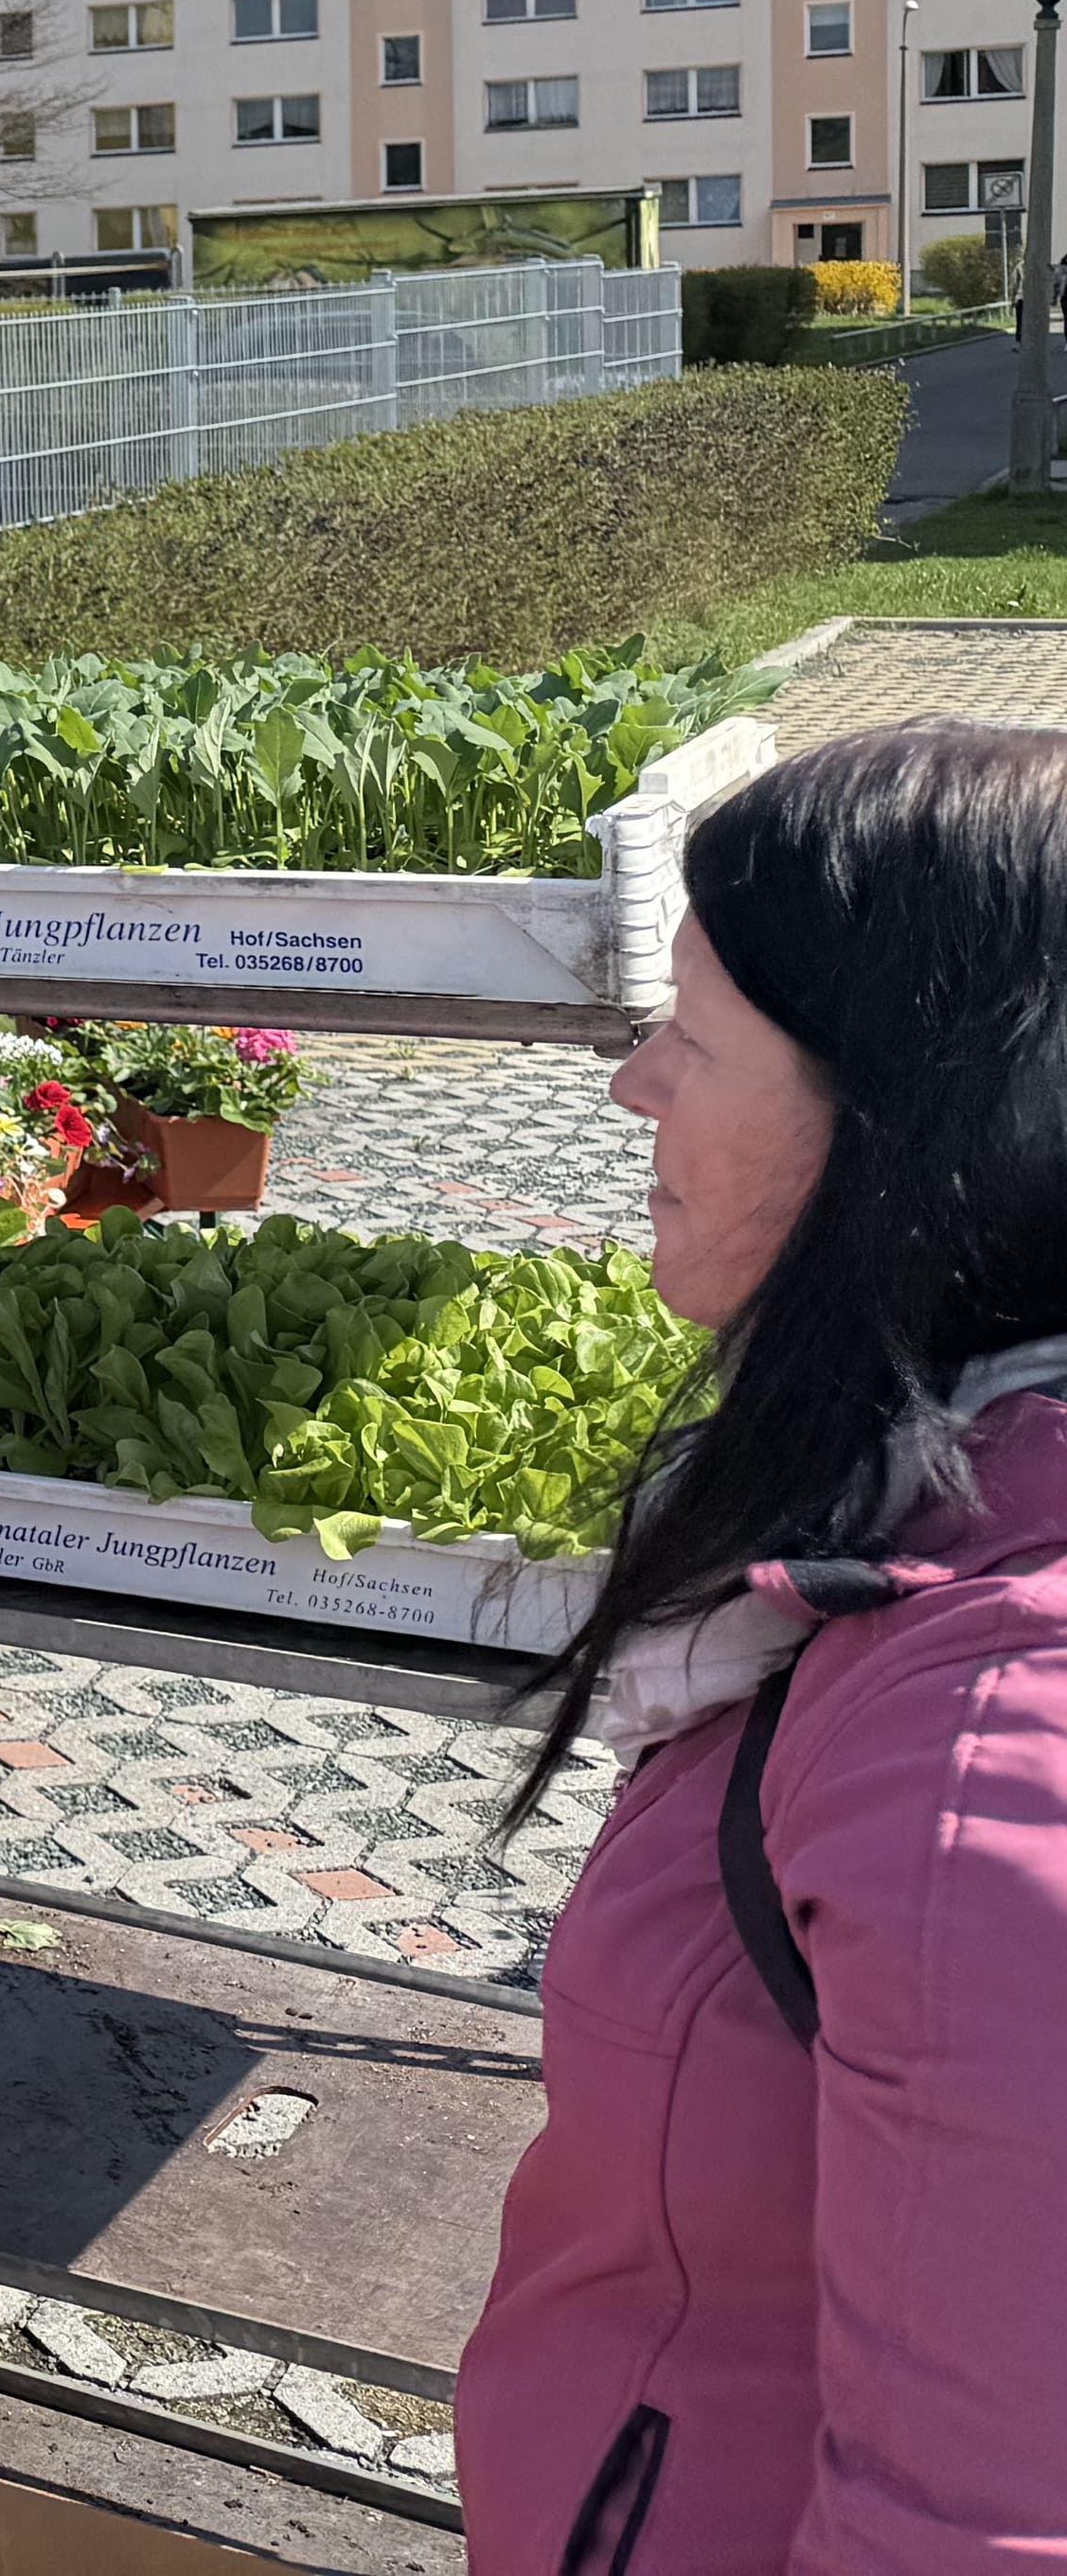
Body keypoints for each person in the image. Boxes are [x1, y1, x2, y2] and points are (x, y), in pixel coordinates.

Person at [454, 718, 1067, 2576]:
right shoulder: (925, 1509)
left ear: (902, 1134)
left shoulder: (984, 1755)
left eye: (695, 1040)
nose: (634, 1086)